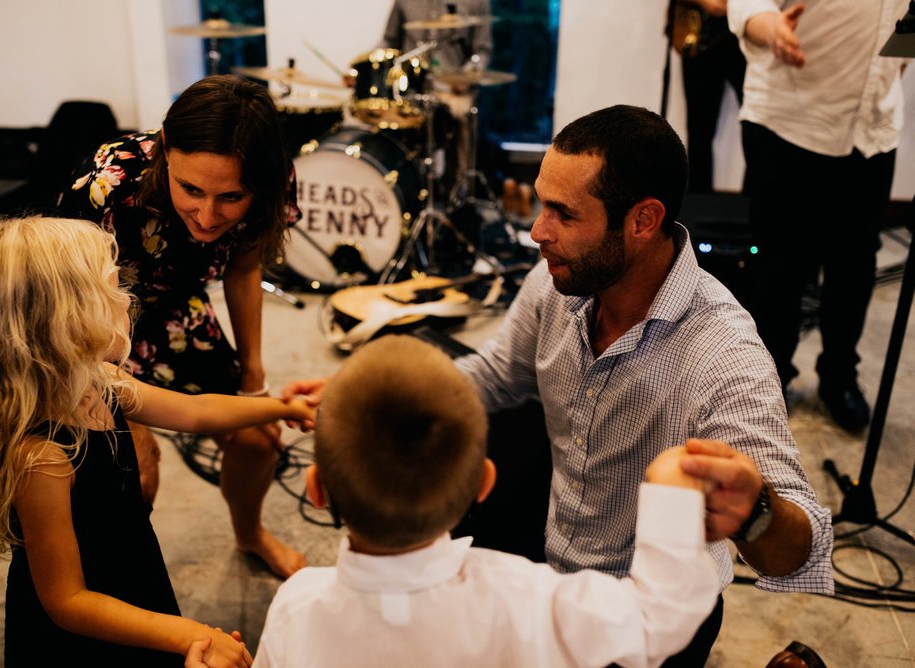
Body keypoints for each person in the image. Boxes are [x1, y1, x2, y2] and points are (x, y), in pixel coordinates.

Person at [283, 105, 834, 666]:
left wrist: (755, 510)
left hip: (646, 610)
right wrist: (377, 406)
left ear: (643, 221)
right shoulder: (559, 280)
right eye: (542, 203)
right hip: (551, 557)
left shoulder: (724, 355)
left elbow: (804, 544)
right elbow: (497, 374)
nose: (536, 231)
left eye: (563, 214)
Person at [0, 215, 316, 666]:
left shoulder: (99, 381)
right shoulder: (40, 457)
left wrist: (283, 407)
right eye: (114, 290)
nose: (129, 300)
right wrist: (189, 634)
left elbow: (196, 412)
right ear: (66, 323)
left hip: (134, 574)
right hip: (88, 626)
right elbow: (68, 601)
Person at [257, 334, 719, 667]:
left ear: (316, 490)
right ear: (484, 482)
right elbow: (657, 619)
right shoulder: (527, 597)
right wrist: (672, 491)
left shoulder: (296, 608)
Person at [56, 74, 307, 578]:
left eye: (231, 197)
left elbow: (242, 268)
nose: (208, 216)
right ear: (166, 149)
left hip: (172, 310)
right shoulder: (108, 182)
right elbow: (68, 306)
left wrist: (253, 383)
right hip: (91, 326)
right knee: (136, 473)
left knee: (258, 438)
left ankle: (249, 533)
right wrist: (129, 413)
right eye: (190, 189)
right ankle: (113, 584)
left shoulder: (275, 177)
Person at [727, 1, 909, 432]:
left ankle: (839, 377)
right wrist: (772, 28)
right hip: (792, 118)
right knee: (781, 265)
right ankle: (769, 379)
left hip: (873, 126)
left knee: (856, 262)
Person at [378, 0, 493, 192]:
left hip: (452, 88)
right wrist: (368, 63)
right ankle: (398, 187)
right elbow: (389, 41)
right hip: (411, 87)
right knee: (384, 114)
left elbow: (482, 49)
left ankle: (458, 191)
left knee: (462, 114)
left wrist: (466, 76)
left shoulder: (477, 2)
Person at [668, 0, 746, 192]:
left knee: (758, 123)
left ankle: (753, 205)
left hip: (745, 37)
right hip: (702, 34)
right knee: (699, 130)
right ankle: (697, 203)